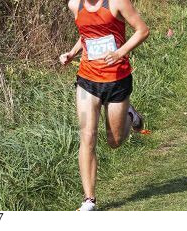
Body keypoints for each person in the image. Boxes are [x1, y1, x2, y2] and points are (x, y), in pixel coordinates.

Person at [59, 0, 149, 211]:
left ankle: (129, 115)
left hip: (117, 79)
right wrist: (72, 53)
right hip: (87, 80)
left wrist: (120, 52)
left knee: (114, 141)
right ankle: (89, 200)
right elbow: (87, 36)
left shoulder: (117, 2)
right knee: (87, 136)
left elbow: (142, 30)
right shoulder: (75, 5)